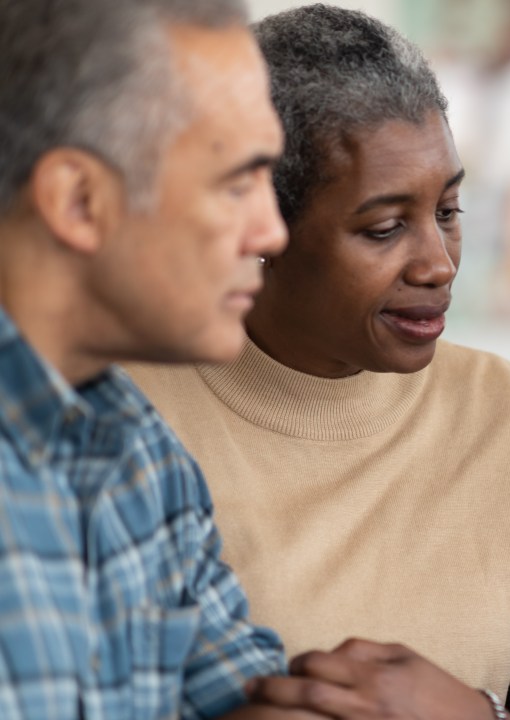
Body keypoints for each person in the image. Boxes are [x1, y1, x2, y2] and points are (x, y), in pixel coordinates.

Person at [126, 5, 510, 719]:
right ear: (263, 226)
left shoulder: (507, 414)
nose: (440, 265)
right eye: (384, 228)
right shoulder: (129, 420)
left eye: (449, 210)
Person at [0, 0, 305, 717]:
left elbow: (249, 701)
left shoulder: (144, 457)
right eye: (238, 182)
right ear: (79, 201)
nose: (272, 231)